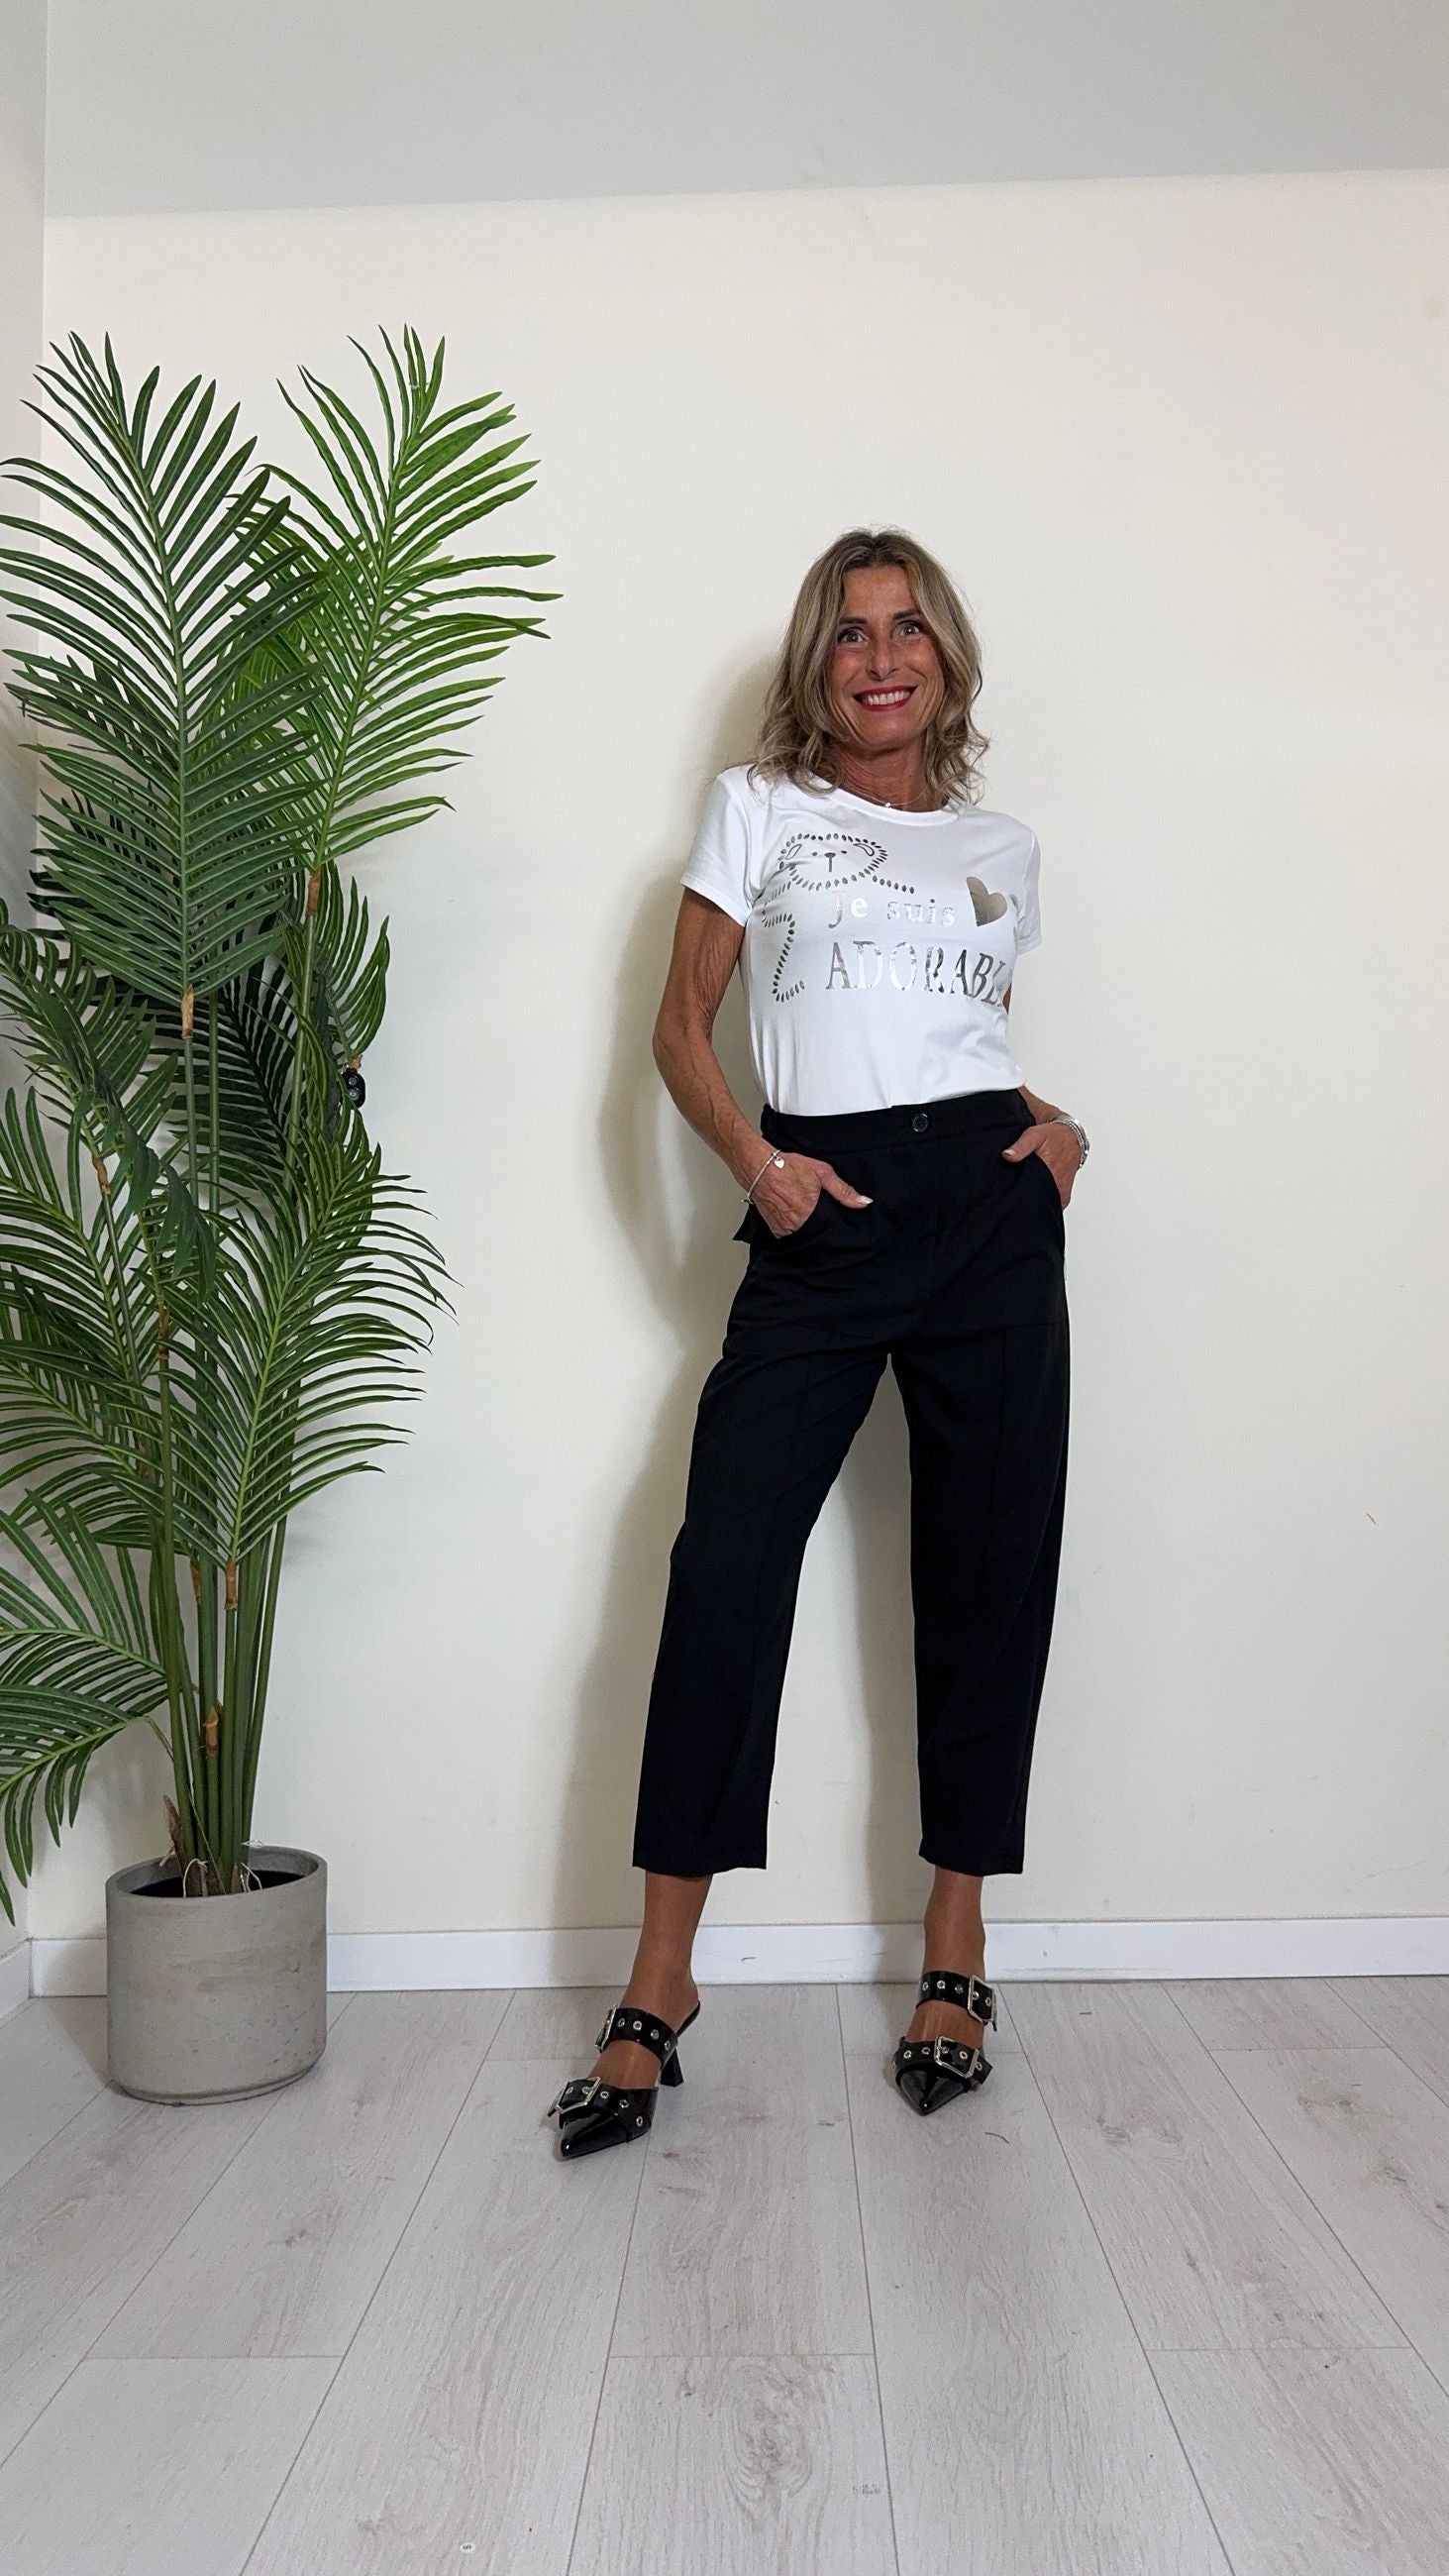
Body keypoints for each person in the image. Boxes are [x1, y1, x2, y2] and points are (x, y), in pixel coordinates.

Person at [547, 525, 1087, 2156]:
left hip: (987, 1211)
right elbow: (678, 1024)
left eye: (907, 628)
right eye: (851, 633)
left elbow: (958, 1031)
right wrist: (757, 1164)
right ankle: (661, 1980)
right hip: (822, 1210)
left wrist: (1057, 1130)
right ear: (816, 663)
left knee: (992, 1571)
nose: (881, 657)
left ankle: (956, 1944)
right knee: (726, 1565)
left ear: (947, 657)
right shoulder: (758, 807)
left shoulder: (1001, 844)